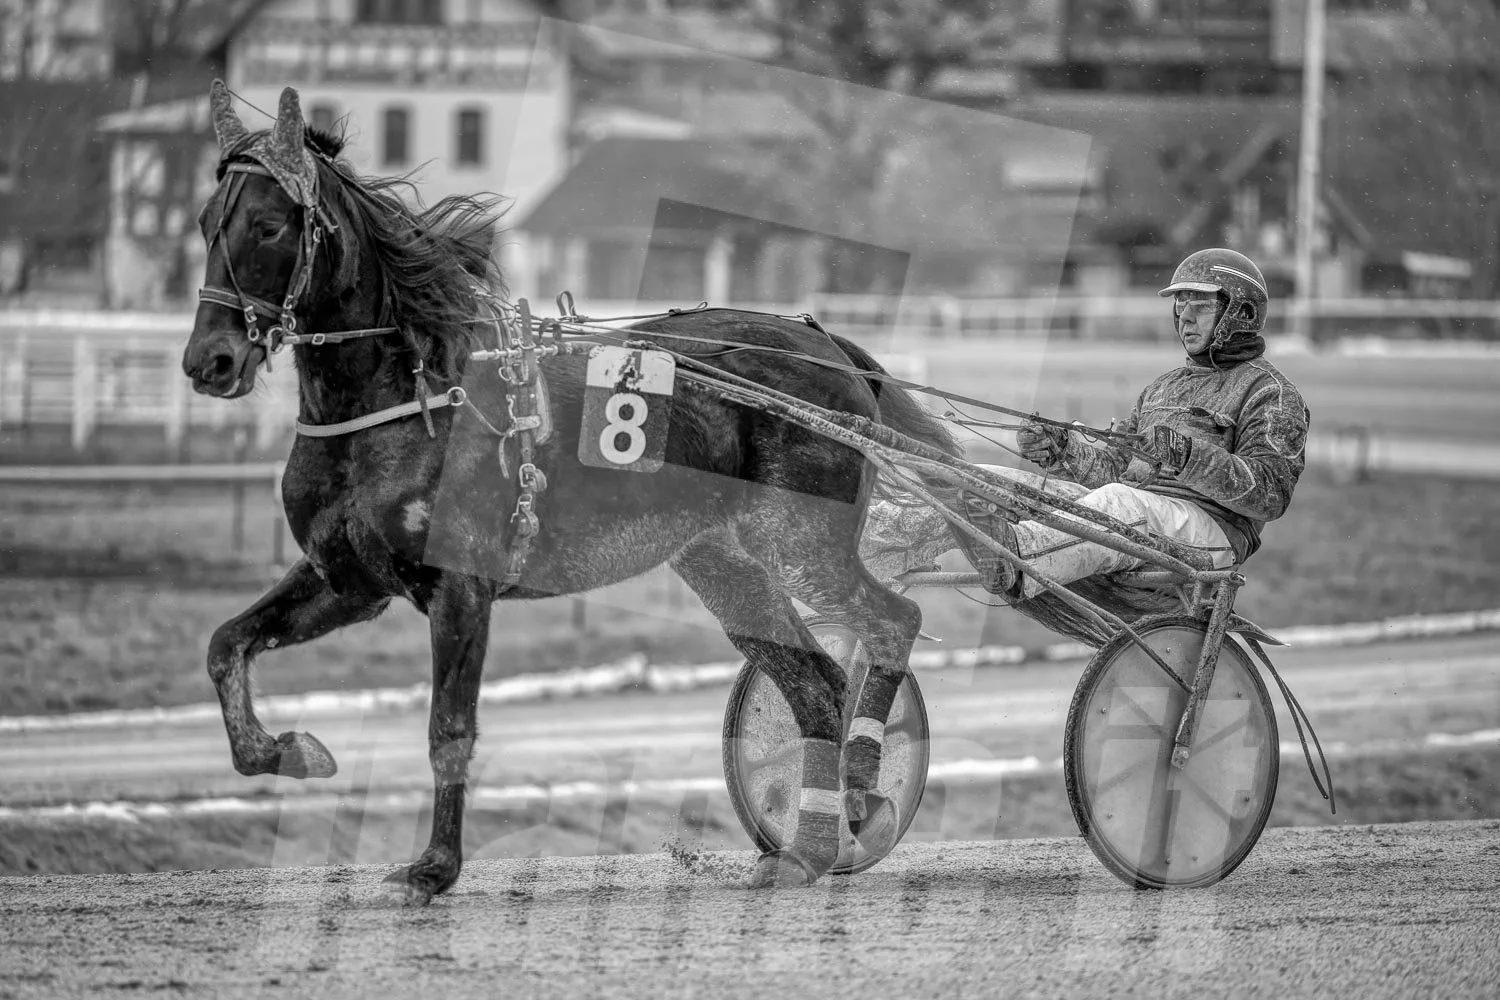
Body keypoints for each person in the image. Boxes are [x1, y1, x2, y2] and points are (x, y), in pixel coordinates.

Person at [859, 248, 1310, 601]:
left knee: (1119, 504)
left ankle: (1017, 559)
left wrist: (1187, 456)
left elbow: (1269, 496)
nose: (1184, 314)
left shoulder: (1271, 393)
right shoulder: (1162, 388)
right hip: (1141, 515)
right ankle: (863, 551)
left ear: (1240, 312)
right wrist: (1062, 450)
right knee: (982, 482)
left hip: (1210, 534)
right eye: (1180, 302)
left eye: (1200, 302)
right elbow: (1117, 472)